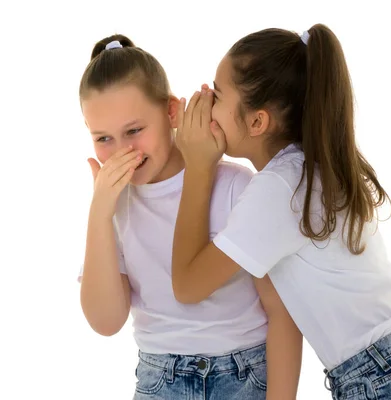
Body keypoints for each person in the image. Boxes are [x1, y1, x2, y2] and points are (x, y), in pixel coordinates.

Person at [171, 24, 391, 399]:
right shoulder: (307, 170)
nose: (204, 98)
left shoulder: (279, 189)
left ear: (257, 122)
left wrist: (197, 167)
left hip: (382, 378)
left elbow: (188, 285)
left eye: (217, 92)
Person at [77, 34, 301, 400]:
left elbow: (282, 313)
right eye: (103, 139)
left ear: (170, 112)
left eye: (134, 131)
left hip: (244, 376)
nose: (122, 151)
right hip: (159, 381)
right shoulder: (114, 206)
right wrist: (98, 215)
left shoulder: (236, 186)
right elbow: (105, 322)